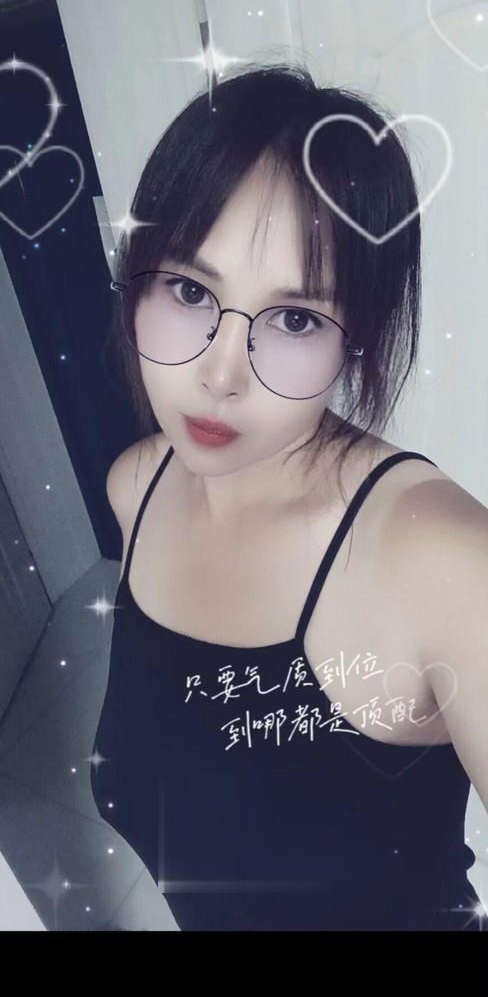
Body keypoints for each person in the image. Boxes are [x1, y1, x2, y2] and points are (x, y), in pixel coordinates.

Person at [91, 63, 487, 931]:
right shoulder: (136, 487)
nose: (220, 375)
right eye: (189, 290)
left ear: (357, 339)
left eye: (295, 318)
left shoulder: (443, 561)